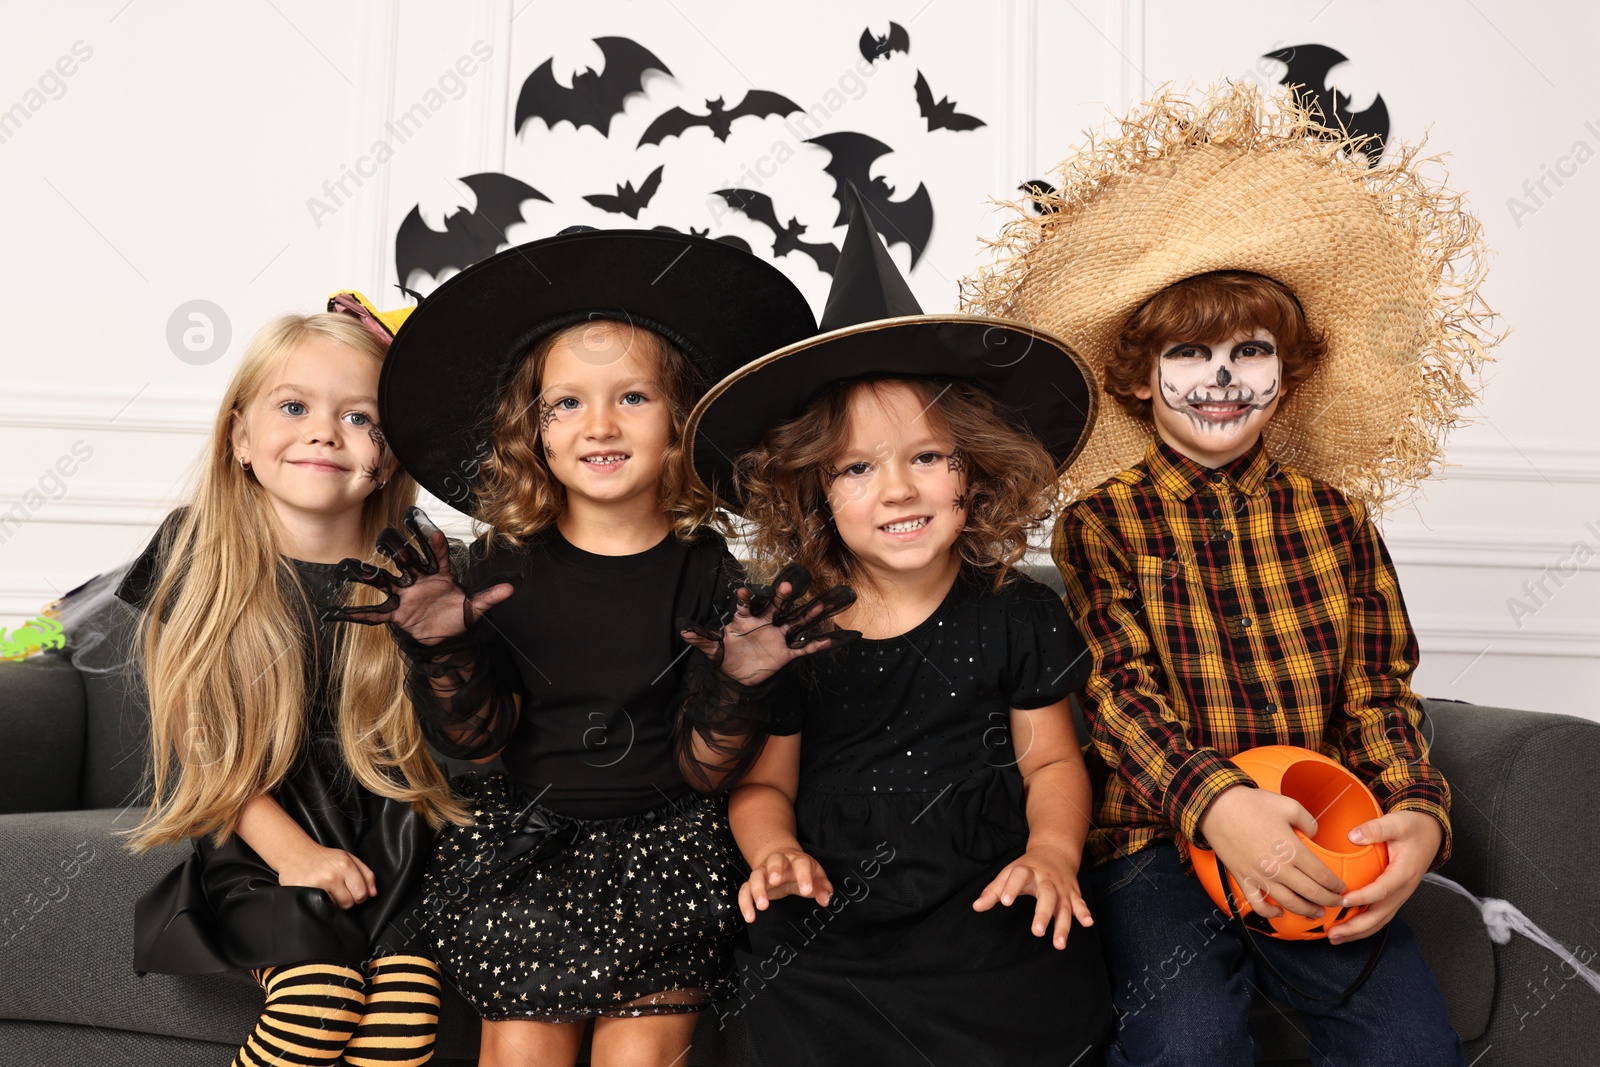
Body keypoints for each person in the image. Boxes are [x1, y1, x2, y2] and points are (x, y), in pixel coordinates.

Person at [963, 83, 1499, 1066]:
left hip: (1322, 823)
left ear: (1286, 372)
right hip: (1158, 841)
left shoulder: (1336, 522)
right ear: (1137, 374)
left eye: (1249, 351)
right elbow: (1116, 694)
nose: (1221, 376)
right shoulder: (1106, 521)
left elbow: (1378, 689)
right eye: (1189, 351)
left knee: (1409, 1047)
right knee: (1188, 1041)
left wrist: (1416, 814)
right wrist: (1217, 804)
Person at [323, 229, 850, 1067]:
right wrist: (442, 652)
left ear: (681, 419)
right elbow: (478, 742)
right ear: (530, 430)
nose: (599, 424)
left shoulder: (710, 572)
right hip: (526, 856)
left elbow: (706, 769)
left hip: (665, 857)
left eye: (632, 397)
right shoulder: (492, 568)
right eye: (566, 402)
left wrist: (739, 685)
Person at [684, 188, 1112, 1064]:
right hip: (836, 903)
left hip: (979, 893)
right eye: (857, 467)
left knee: (1040, 979)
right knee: (778, 999)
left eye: (926, 456)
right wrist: (775, 854)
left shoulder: (1015, 609)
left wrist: (1052, 852)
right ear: (814, 492)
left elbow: (1050, 759)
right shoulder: (793, 623)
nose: (900, 489)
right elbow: (763, 786)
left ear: (974, 473)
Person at [122, 293, 458, 1067]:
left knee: (406, 1017)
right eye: (295, 404)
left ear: (391, 456)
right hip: (259, 827)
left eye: (358, 416)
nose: (322, 430)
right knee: (319, 1000)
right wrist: (293, 853)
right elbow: (196, 731)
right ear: (240, 436)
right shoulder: (197, 551)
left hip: (395, 839)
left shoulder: (418, 566)